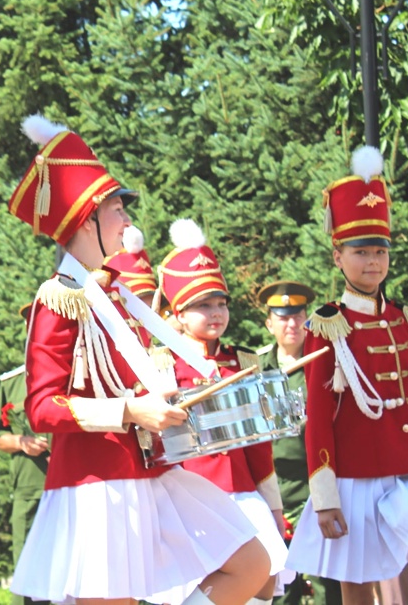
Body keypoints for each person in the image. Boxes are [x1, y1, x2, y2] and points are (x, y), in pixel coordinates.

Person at [5, 114, 269, 605]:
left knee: (253, 565)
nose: (127, 222)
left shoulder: (112, 293)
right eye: (117, 210)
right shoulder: (59, 298)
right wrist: (132, 410)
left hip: (148, 470)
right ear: (88, 220)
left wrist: (163, 399)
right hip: (96, 485)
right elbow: (41, 408)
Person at [286, 146, 408, 605]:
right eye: (361, 252)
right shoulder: (328, 325)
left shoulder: (407, 320)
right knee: (355, 579)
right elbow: (320, 417)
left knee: (406, 576)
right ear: (338, 255)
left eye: (380, 251)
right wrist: (325, 496)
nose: (373, 262)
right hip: (356, 478)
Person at [156, 219, 290, 605]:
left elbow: (259, 447)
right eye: (202, 305)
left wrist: (274, 506)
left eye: (221, 303)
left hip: (246, 493)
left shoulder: (243, 363)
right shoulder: (162, 367)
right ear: (178, 314)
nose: (216, 313)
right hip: (190, 498)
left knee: (263, 582)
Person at [253, 281, 344, 605]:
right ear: (270, 323)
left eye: (298, 317)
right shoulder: (256, 368)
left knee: (326, 580)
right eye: (283, 318)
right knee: (281, 577)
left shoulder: (324, 363)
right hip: (274, 488)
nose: (292, 324)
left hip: (315, 486)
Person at [0, 304, 50, 605]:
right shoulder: (12, 383)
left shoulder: (77, 378)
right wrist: (21, 441)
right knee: (26, 573)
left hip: (74, 486)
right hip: (29, 488)